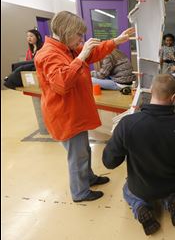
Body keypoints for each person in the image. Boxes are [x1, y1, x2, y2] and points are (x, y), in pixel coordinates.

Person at [34, 11, 135, 203]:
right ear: (66, 32)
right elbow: (62, 84)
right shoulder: (48, 54)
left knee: (84, 150)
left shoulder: (66, 48)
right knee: (77, 155)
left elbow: (94, 53)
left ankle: (88, 177)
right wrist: (81, 56)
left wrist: (116, 41)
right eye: (78, 35)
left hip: (74, 112)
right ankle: (80, 192)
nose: (81, 39)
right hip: (65, 115)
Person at [102, 74, 175, 235]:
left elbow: (109, 162)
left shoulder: (128, 124)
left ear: (150, 91)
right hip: (170, 184)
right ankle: (171, 199)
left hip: (141, 188)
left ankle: (140, 207)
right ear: (174, 97)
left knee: (126, 189)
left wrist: (121, 140)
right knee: (168, 190)